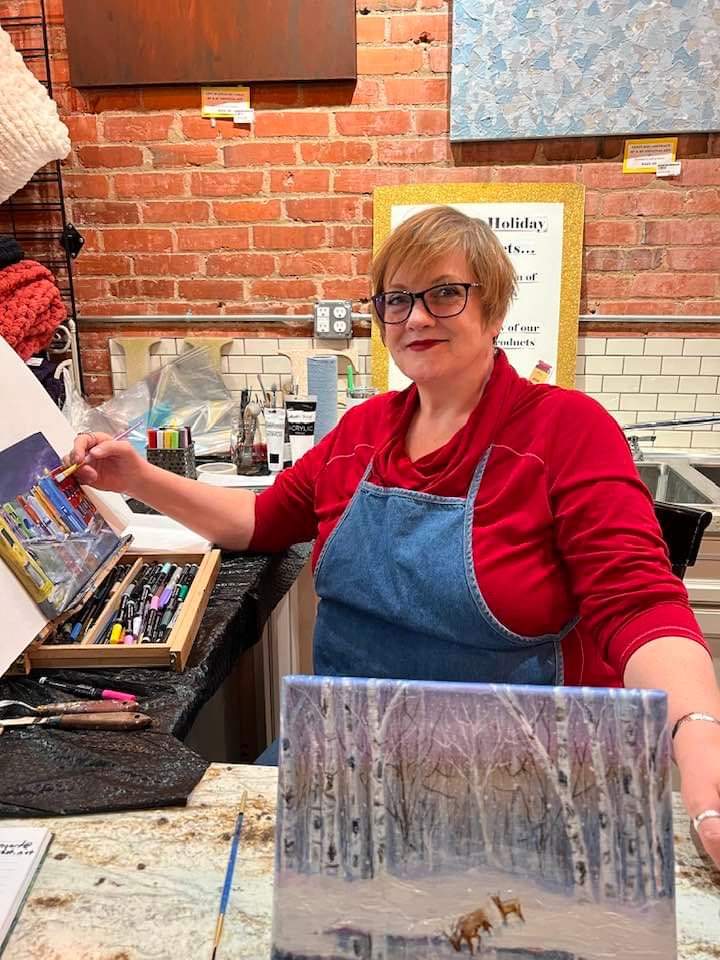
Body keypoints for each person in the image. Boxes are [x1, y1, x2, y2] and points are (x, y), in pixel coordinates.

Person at [68, 206, 720, 869]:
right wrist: (138, 478)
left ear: (493, 309)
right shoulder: (362, 432)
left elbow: (638, 605)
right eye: (397, 299)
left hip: (517, 773)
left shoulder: (564, 430)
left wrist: (699, 734)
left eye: (445, 293)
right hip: (348, 756)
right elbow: (259, 521)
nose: (416, 317)